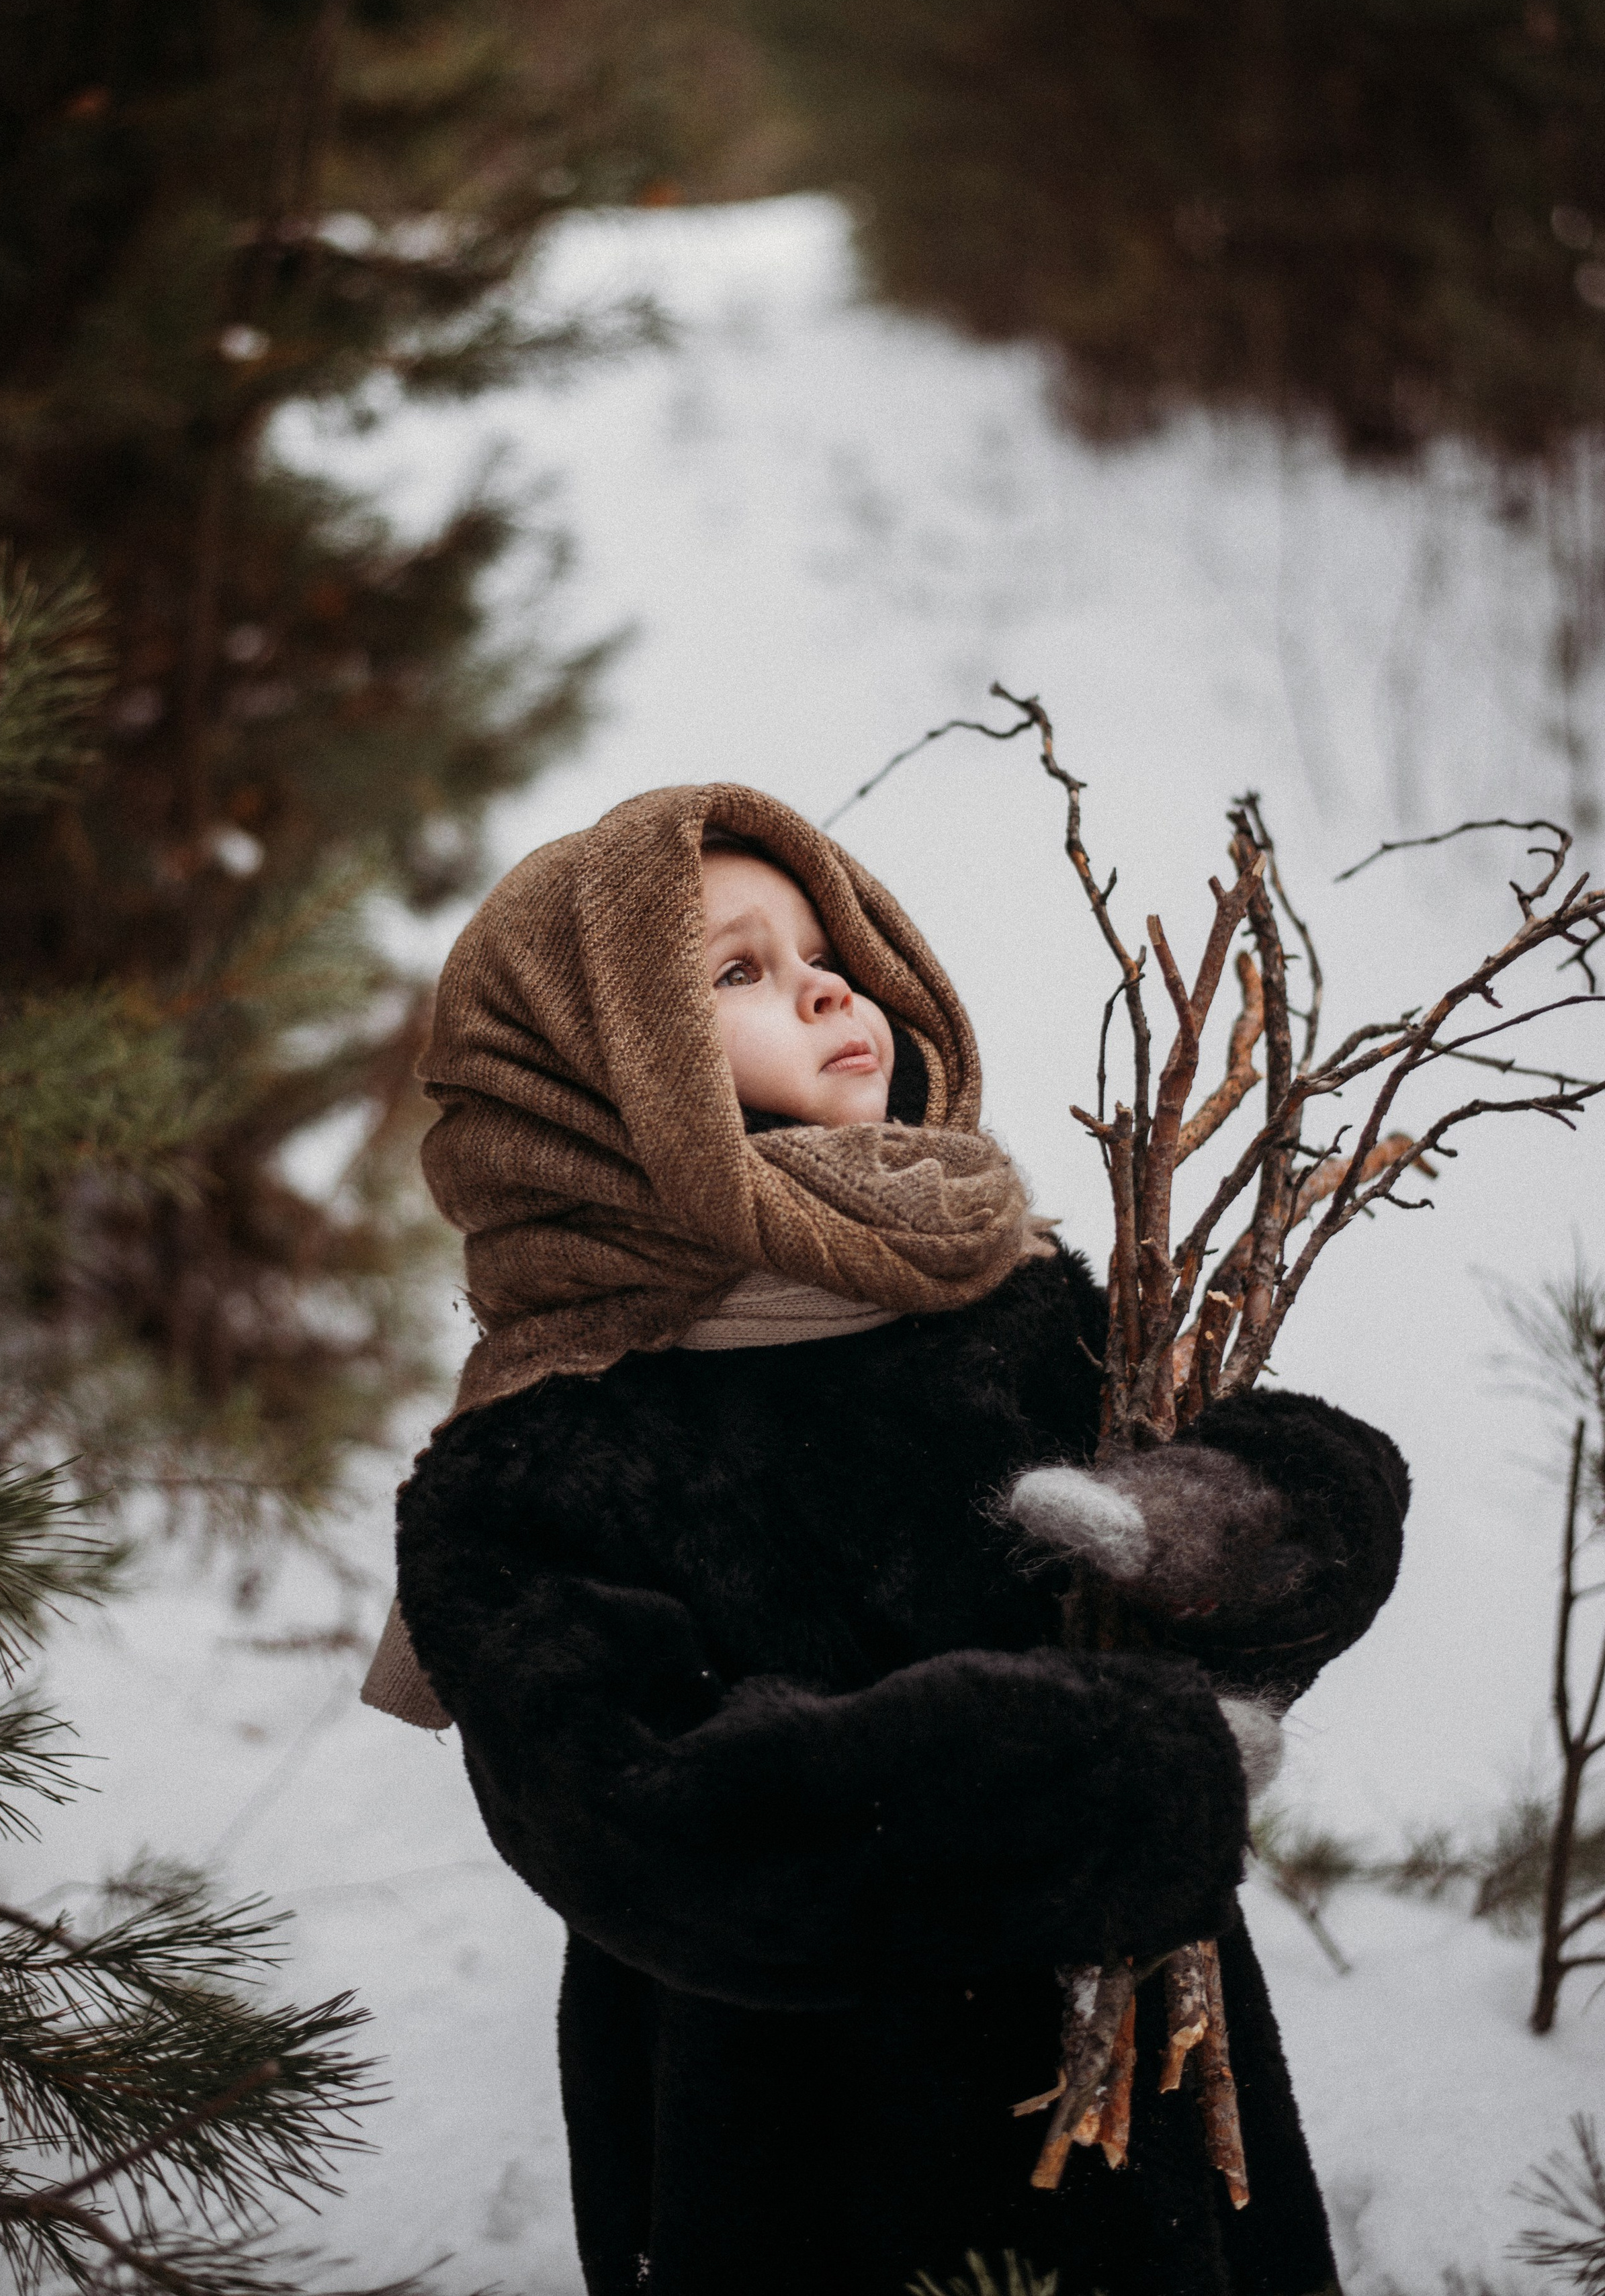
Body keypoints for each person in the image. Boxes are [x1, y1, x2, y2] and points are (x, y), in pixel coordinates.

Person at [374, 783, 1406, 2296]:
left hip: (1149, 2110)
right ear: (591, 1077)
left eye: (819, 945)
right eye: (731, 970)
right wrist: (1095, 1775)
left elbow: (1268, 1513)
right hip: (801, 2155)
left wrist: (1245, 1523)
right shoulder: (541, 1452)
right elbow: (647, 1818)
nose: (822, 982)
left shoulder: (1021, 1305)